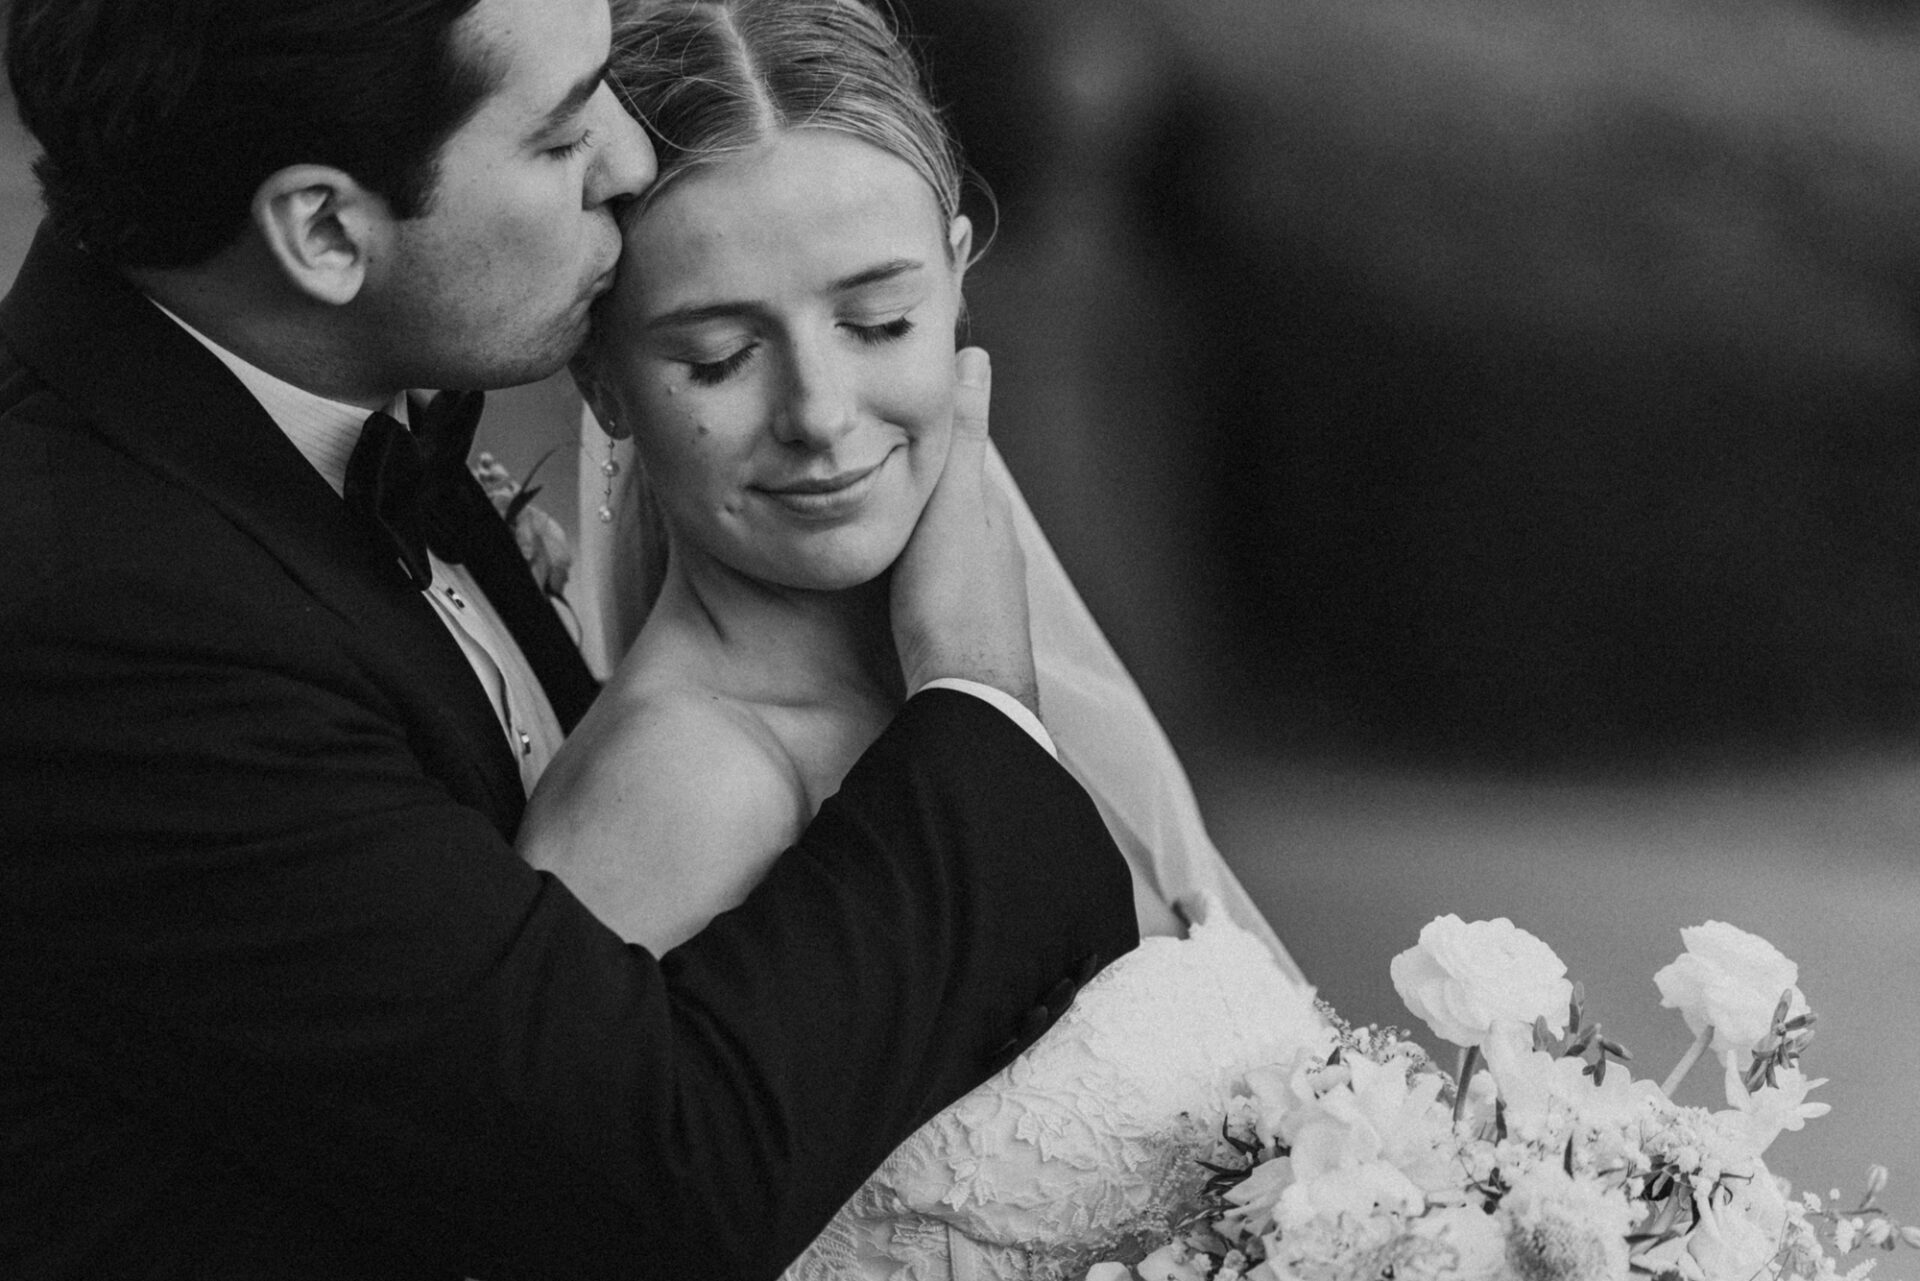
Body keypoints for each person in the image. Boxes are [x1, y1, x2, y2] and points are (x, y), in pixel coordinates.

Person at [0, 0, 1140, 1274]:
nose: (629, 156)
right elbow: (645, 1173)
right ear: (322, 230)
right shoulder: (95, 622)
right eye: (557, 135)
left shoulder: (325, 428)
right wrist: (976, 690)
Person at [525, 0, 1316, 1273]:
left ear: (956, 279)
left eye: (879, 321)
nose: (822, 414)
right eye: (719, 357)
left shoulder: (983, 682)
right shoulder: (672, 797)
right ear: (604, 380)